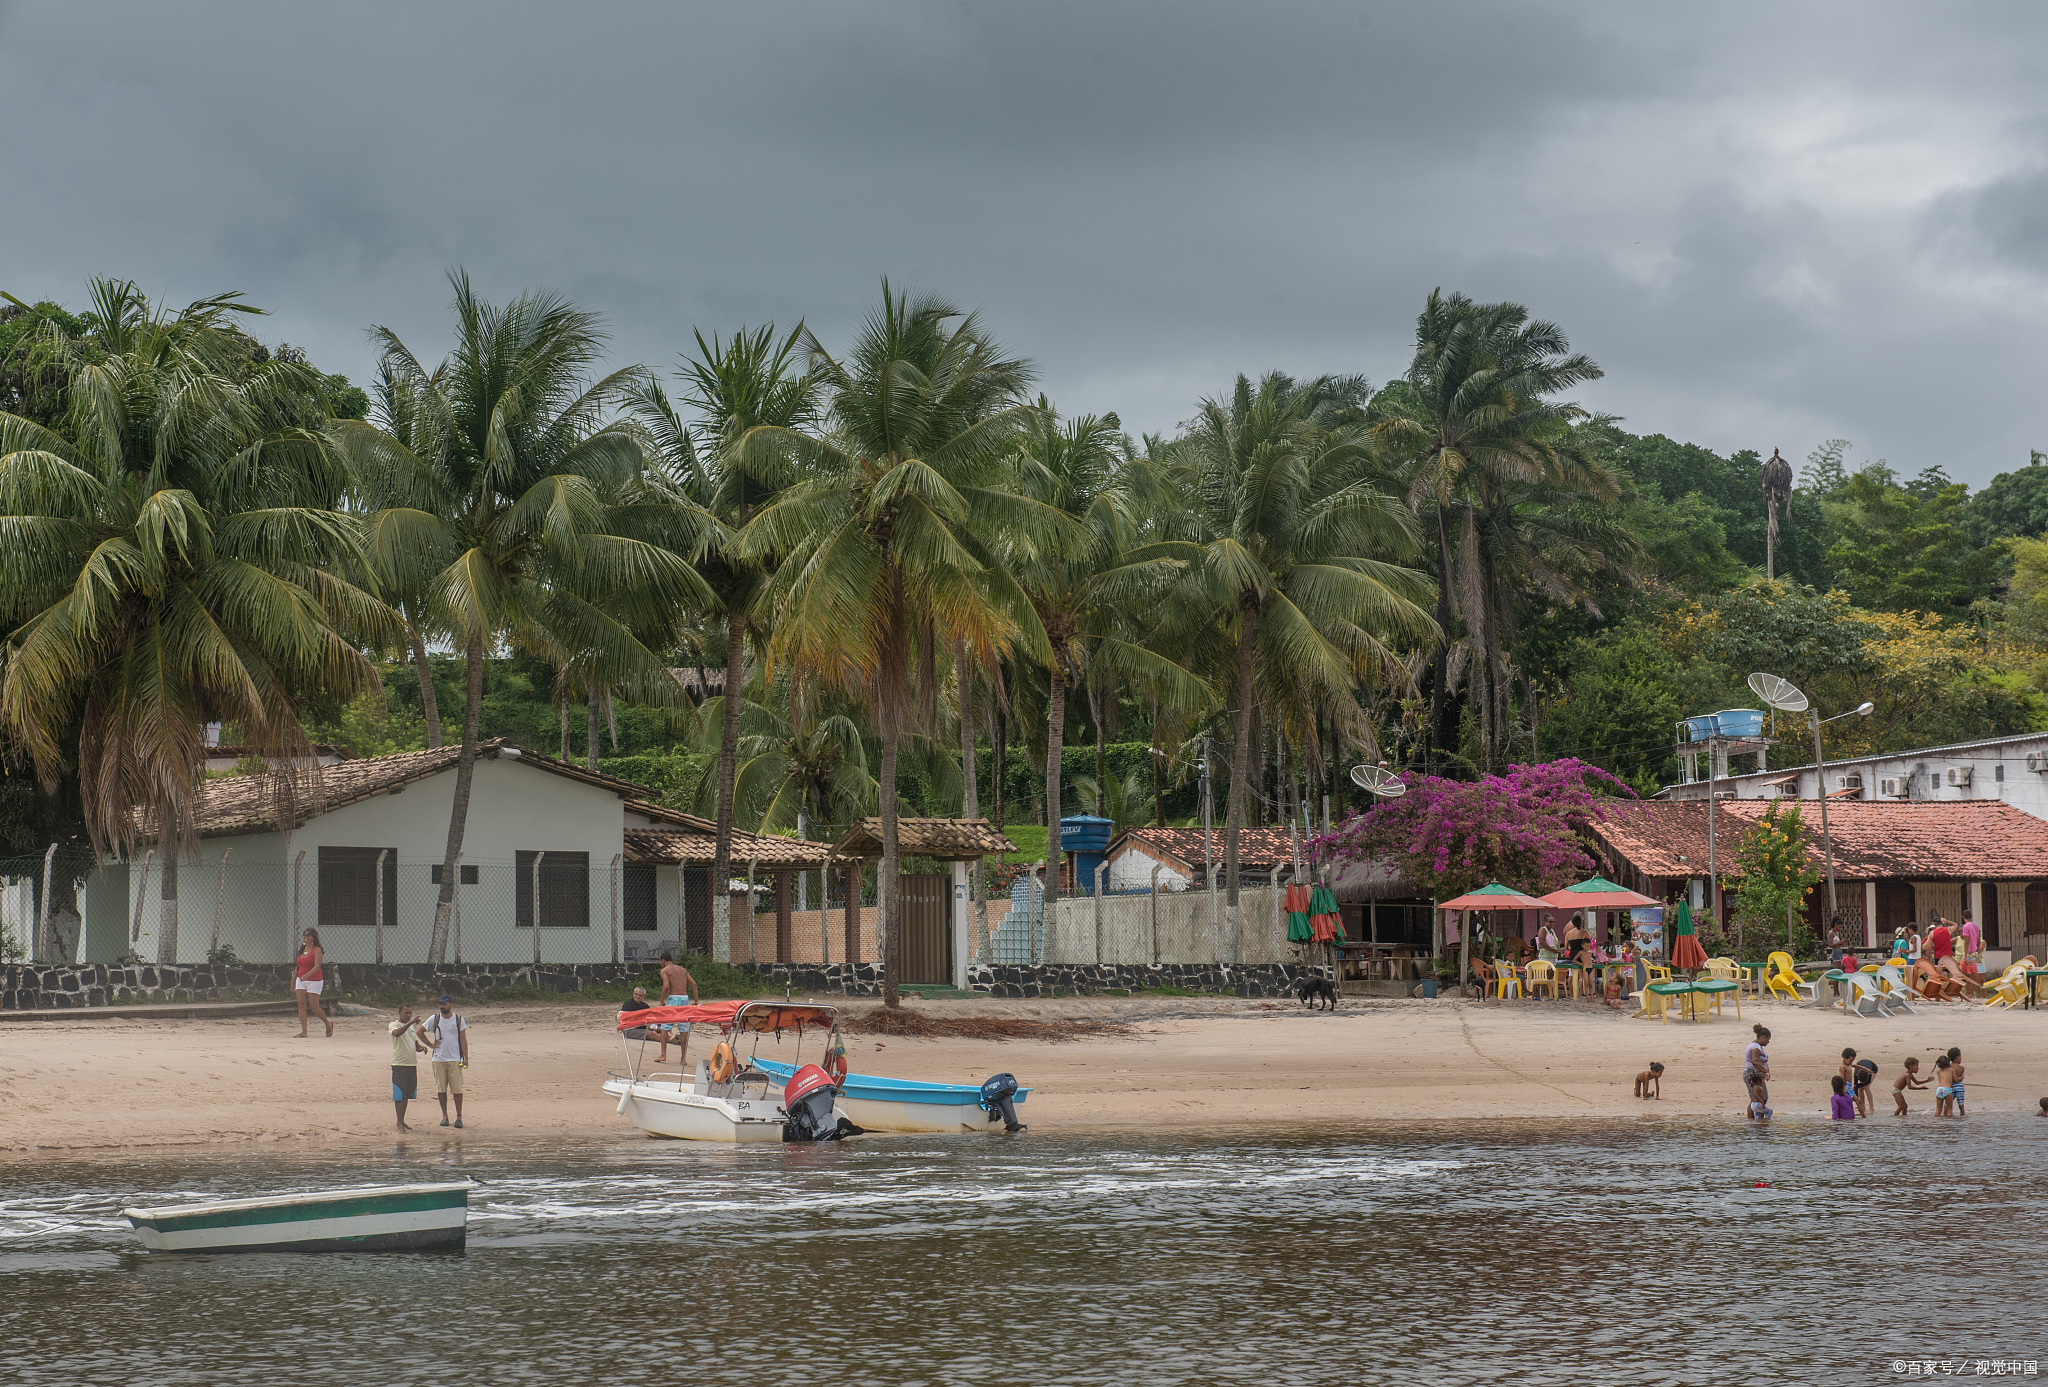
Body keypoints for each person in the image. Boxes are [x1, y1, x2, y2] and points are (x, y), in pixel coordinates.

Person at [424, 994, 470, 1129]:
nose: (441, 1007)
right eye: (440, 1004)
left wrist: (466, 1057)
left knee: (457, 1089)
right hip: (438, 1059)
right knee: (441, 1089)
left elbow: (463, 1039)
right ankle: (445, 1116)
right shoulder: (434, 1018)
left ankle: (459, 1117)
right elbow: (420, 1031)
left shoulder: (459, 1019)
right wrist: (430, 1044)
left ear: (450, 1004)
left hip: (455, 1059)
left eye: (444, 1004)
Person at [389, 1004, 428, 1133]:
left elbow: (415, 1045)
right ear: (399, 1012)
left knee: (406, 1094)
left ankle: (402, 1120)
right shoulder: (394, 1025)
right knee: (399, 1094)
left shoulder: (411, 1028)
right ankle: (399, 1122)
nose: (408, 1015)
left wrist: (422, 1048)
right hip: (399, 1064)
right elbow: (397, 1034)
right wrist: (410, 1023)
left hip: (411, 1064)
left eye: (410, 1013)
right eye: (406, 1013)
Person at [656, 952, 698, 1066]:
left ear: (663, 961)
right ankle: (683, 1058)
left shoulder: (665, 971)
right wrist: (696, 1001)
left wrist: (662, 1000)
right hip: (684, 999)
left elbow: (666, 986)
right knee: (684, 1028)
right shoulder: (683, 970)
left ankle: (663, 1054)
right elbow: (693, 984)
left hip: (673, 999)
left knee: (665, 1026)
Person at [293, 928, 332, 1039]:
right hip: (301, 980)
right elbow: (298, 966)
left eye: (308, 935)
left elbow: (317, 966)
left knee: (314, 1007)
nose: (305, 937)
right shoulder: (302, 949)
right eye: (304, 935)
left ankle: (327, 1024)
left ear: (313, 937)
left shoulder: (317, 950)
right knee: (301, 1004)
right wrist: (293, 980)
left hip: (314, 981)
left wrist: (308, 975)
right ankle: (304, 1031)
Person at [1743, 1024, 1772, 1120]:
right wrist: (1765, 1072)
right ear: (1763, 1037)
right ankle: (1752, 1121)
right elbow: (1755, 1061)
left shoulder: (1756, 1046)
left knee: (1761, 1098)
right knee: (1756, 1098)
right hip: (1752, 1074)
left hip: (1756, 1074)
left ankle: (1758, 1120)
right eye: (1768, 1039)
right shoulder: (1755, 1048)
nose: (1768, 1042)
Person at [1946, 1047, 1966, 1117]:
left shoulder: (1948, 1066)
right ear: (1957, 1057)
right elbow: (1960, 1079)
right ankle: (1962, 1116)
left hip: (1950, 1086)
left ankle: (1946, 1117)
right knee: (1961, 1104)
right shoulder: (1962, 1068)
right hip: (1959, 1086)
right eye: (1960, 1057)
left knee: (1948, 1104)